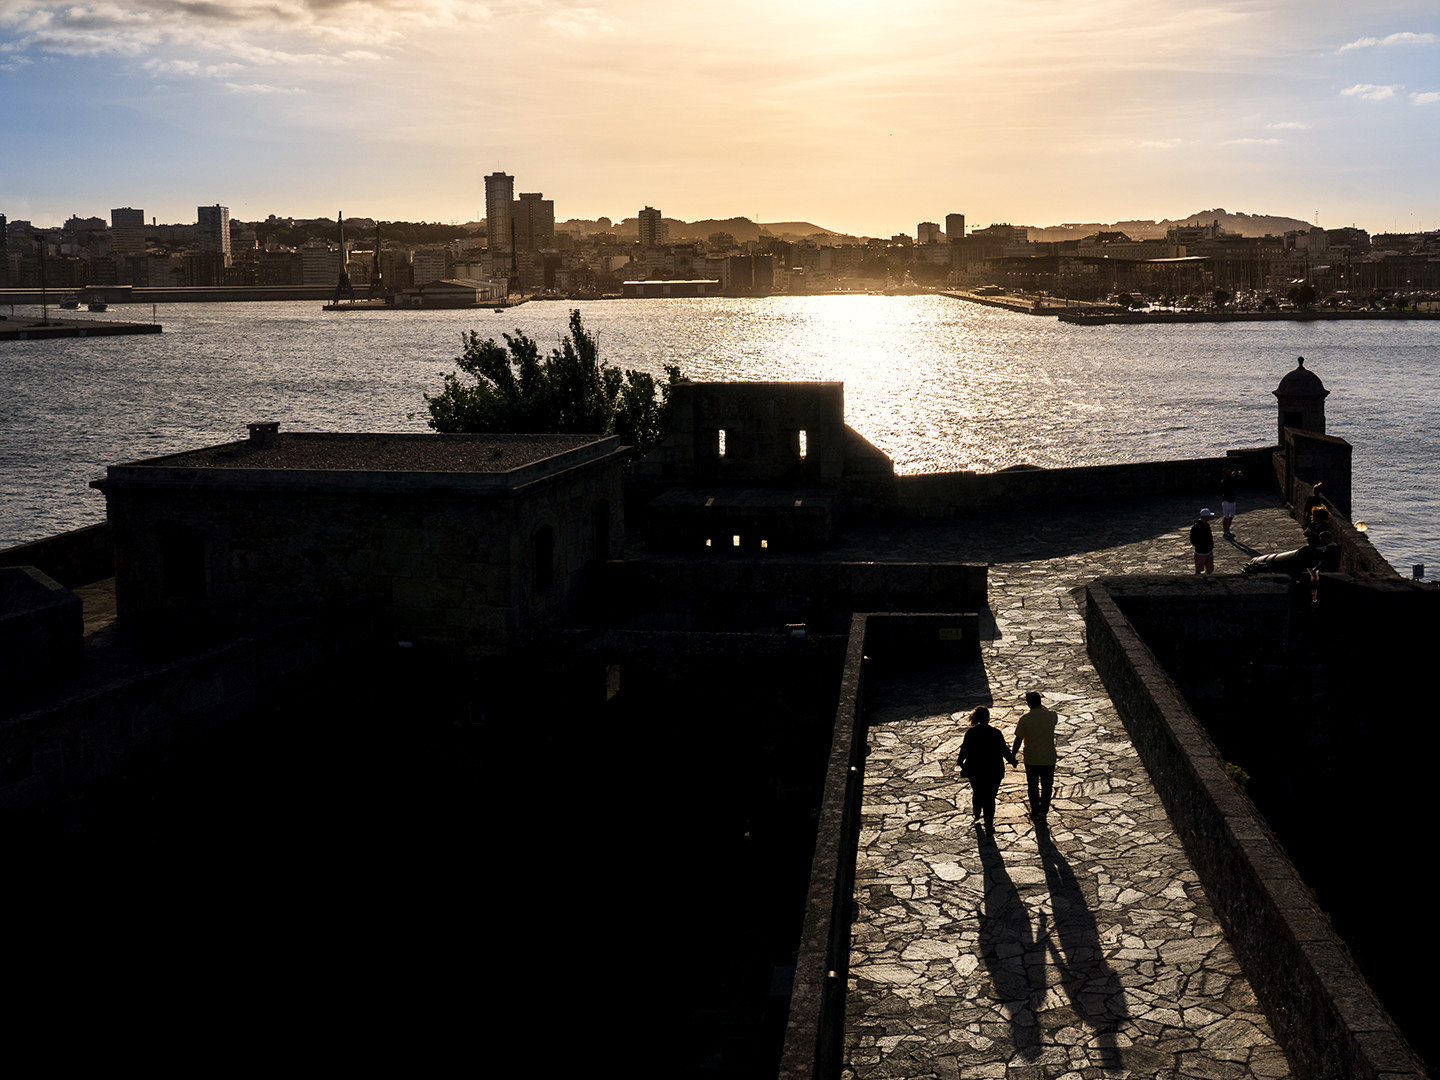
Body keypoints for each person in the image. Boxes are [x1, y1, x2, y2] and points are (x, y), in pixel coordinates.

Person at [956, 706, 1014, 837]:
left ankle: (977, 813)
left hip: (975, 769)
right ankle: (989, 824)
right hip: (994, 770)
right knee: (990, 798)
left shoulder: (970, 733)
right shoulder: (996, 732)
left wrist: (960, 762)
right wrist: (1012, 760)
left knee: (978, 793)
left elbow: (964, 749)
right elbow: (1004, 749)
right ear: (988, 717)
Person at [1012, 692, 1059, 829]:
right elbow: (1048, 712)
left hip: (1032, 758)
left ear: (1028, 703)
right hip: (1048, 757)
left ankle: (1035, 811)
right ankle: (1044, 811)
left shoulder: (1025, 719)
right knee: (1047, 786)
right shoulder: (1052, 716)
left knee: (1032, 786)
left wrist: (1013, 755)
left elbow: (1018, 739)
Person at [1190, 508, 1216, 574]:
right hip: (1200, 552)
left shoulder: (1207, 525)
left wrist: (1211, 545)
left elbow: (1210, 537)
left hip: (1208, 551)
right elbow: (1192, 538)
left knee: (1210, 569)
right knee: (1198, 570)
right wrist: (1199, 546)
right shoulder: (1196, 527)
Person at [1220, 469, 1242, 539]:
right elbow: (1228, 482)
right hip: (1226, 501)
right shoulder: (1224, 480)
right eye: (1228, 472)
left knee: (1231, 516)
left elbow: (1237, 480)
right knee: (1226, 517)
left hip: (1232, 500)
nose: (1230, 473)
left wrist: (1236, 474)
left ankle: (1228, 530)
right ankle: (1225, 532)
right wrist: (1234, 475)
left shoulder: (1230, 479)